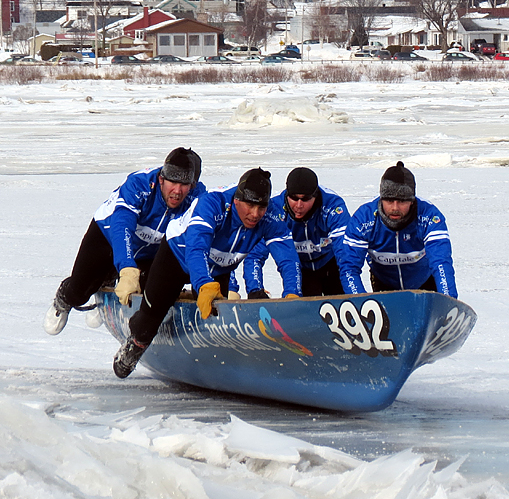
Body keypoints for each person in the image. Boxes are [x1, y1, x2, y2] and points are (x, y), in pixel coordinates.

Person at [112, 167, 302, 379]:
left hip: (219, 266)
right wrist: (203, 284)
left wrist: (293, 294)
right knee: (149, 320)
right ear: (237, 200)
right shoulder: (213, 204)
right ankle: (136, 342)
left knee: (213, 319)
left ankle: (215, 364)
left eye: (261, 207)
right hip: (178, 256)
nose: (255, 214)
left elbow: (288, 258)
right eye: (250, 206)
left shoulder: (271, 217)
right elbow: (196, 248)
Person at [45, 147, 205, 335]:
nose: (177, 191)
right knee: (80, 292)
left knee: (149, 295)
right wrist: (127, 268)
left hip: (151, 250)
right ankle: (64, 299)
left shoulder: (198, 197)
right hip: (109, 235)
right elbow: (121, 227)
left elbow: (206, 241)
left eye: (185, 184)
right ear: (161, 178)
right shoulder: (139, 184)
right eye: (172, 182)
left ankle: (110, 285)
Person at [338, 161, 457, 298]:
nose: (395, 207)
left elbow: (441, 262)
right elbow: (349, 268)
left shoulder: (430, 216)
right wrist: (360, 304)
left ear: (412, 201)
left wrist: (449, 300)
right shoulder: (363, 218)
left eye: (401, 201)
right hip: (384, 282)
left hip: (424, 281)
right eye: (389, 200)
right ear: (381, 199)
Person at [244, 167, 350, 298]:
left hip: (331, 265)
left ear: (315, 196)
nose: (299, 205)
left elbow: (346, 251)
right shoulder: (275, 209)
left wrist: (354, 294)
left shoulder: (333, 206)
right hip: (301, 268)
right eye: (294, 198)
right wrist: (255, 290)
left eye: (305, 199)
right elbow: (255, 254)